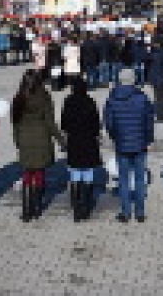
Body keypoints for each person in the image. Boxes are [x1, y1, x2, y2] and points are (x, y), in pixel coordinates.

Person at [12, 69, 65, 222]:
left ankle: (26, 210)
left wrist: (17, 140)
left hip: (25, 139)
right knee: (39, 174)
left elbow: (15, 123)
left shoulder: (18, 98)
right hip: (41, 138)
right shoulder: (44, 97)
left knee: (27, 174)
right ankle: (36, 207)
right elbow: (50, 122)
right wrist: (61, 140)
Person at [104, 68, 155, 223]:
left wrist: (115, 137)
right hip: (139, 143)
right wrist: (148, 139)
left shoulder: (112, 98)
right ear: (133, 80)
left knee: (123, 179)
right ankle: (140, 212)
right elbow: (149, 121)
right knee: (140, 178)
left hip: (122, 143)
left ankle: (126, 212)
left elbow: (109, 123)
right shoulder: (142, 97)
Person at [60, 76, 102, 222]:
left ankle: (77, 208)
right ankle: (86, 206)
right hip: (89, 142)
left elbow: (64, 124)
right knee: (88, 175)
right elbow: (97, 125)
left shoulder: (68, 102)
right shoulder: (90, 101)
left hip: (74, 142)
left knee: (75, 175)